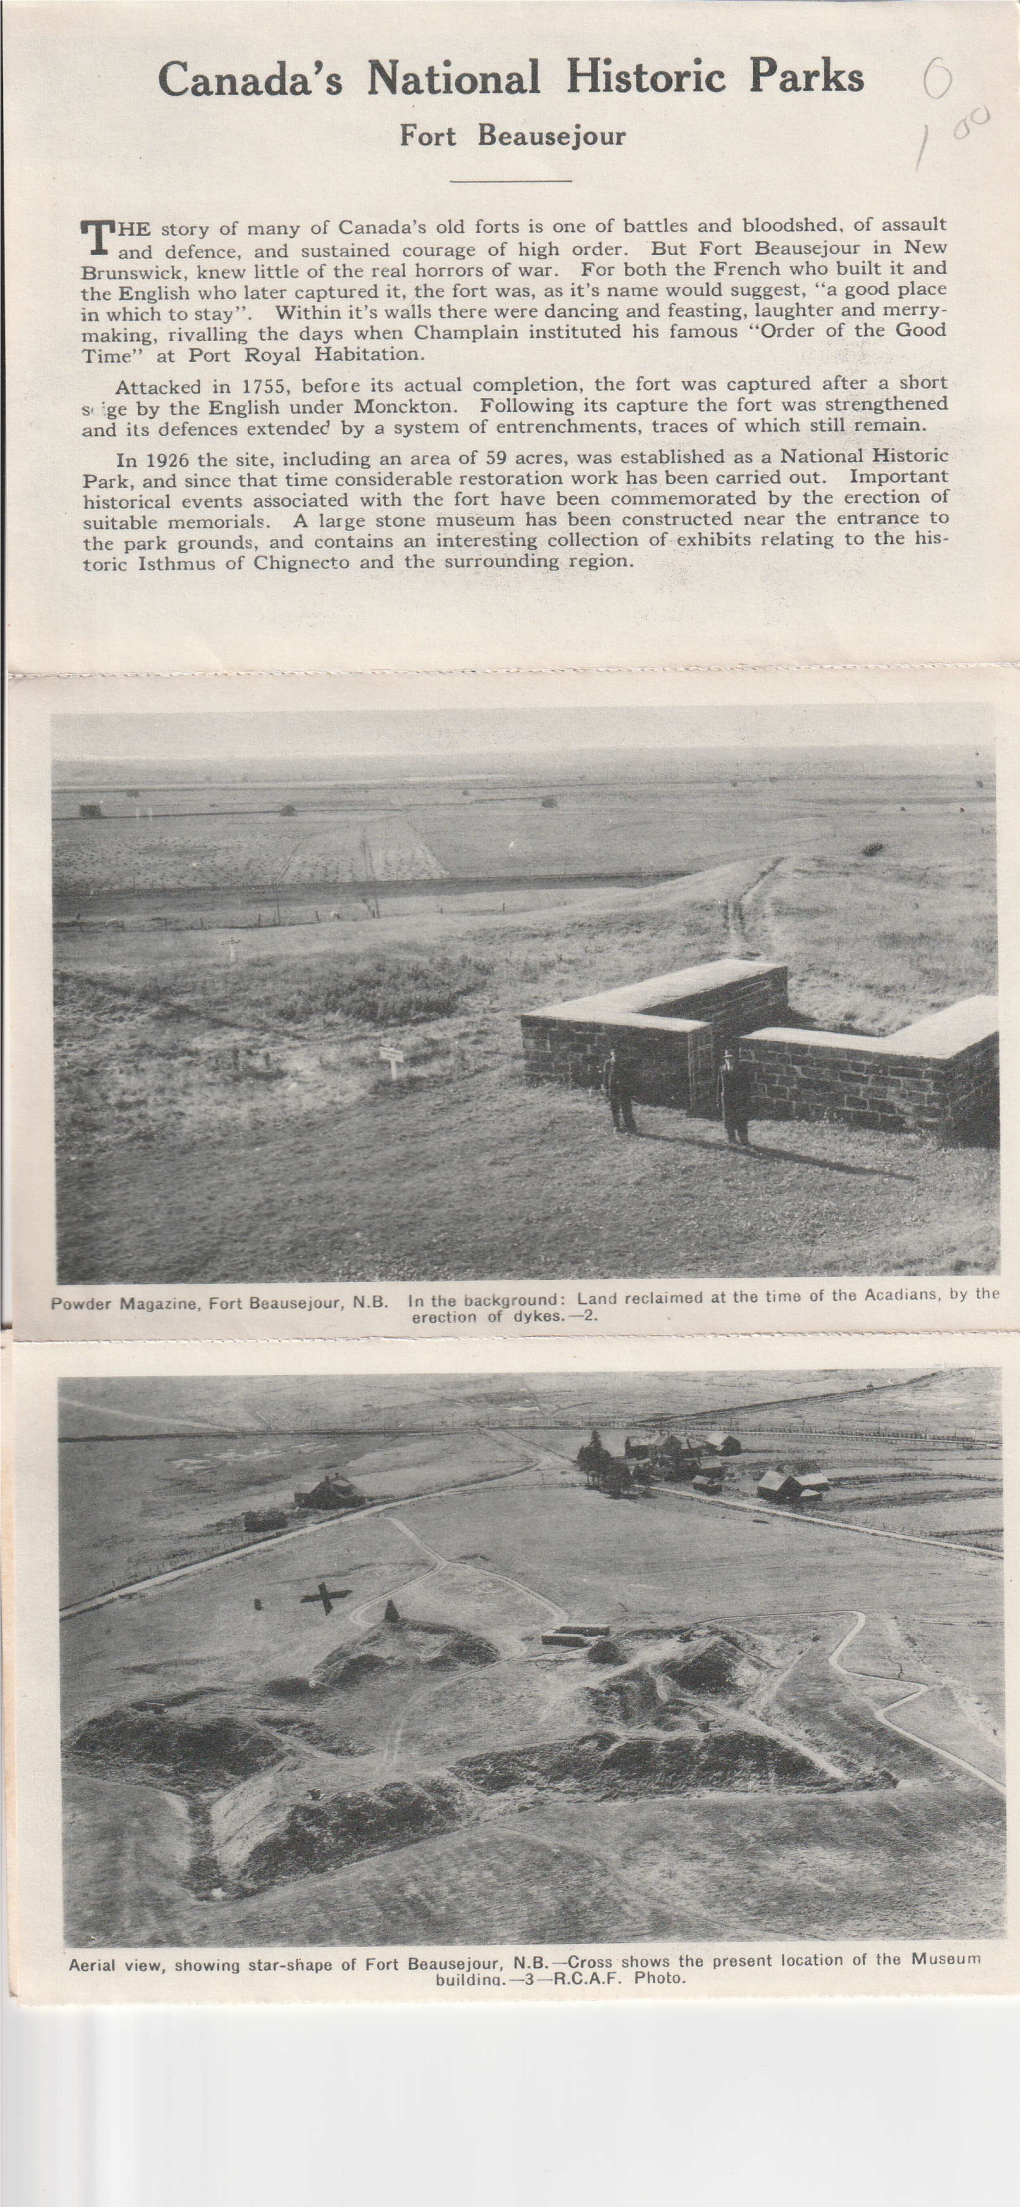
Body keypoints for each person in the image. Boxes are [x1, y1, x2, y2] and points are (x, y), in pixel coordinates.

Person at [718, 1048, 752, 1147]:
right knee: (728, 1119)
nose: (729, 1060)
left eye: (731, 1058)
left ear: (735, 1059)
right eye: (727, 1058)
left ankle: (744, 1140)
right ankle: (731, 1138)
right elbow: (719, 1086)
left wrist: (746, 1099)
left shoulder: (741, 1070)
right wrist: (718, 1100)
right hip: (726, 1099)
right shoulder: (722, 1069)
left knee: (741, 1119)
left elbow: (746, 1086)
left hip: (739, 1099)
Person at [603, 1046, 636, 1133]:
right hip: (613, 1088)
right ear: (611, 1053)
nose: (616, 1055)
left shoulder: (624, 1063)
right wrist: (606, 1088)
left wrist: (629, 1088)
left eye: (618, 1053)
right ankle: (616, 1125)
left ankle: (630, 1127)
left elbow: (629, 1077)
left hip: (623, 1089)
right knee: (614, 1107)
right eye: (614, 1052)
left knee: (626, 1108)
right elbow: (605, 1076)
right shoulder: (608, 1063)